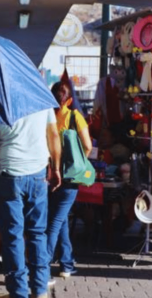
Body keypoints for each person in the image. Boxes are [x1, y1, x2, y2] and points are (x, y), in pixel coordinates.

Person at [0, 109, 62, 298]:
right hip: (38, 175)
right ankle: (39, 289)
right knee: (37, 232)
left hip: (9, 175)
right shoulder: (40, 96)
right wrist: (57, 167)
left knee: (13, 235)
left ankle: (18, 294)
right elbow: (53, 135)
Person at [48, 81, 93, 278]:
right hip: (70, 177)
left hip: (49, 174)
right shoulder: (75, 116)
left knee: (61, 219)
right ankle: (44, 264)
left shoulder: (47, 118)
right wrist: (78, 162)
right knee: (56, 221)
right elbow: (88, 145)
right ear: (70, 100)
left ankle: (66, 263)